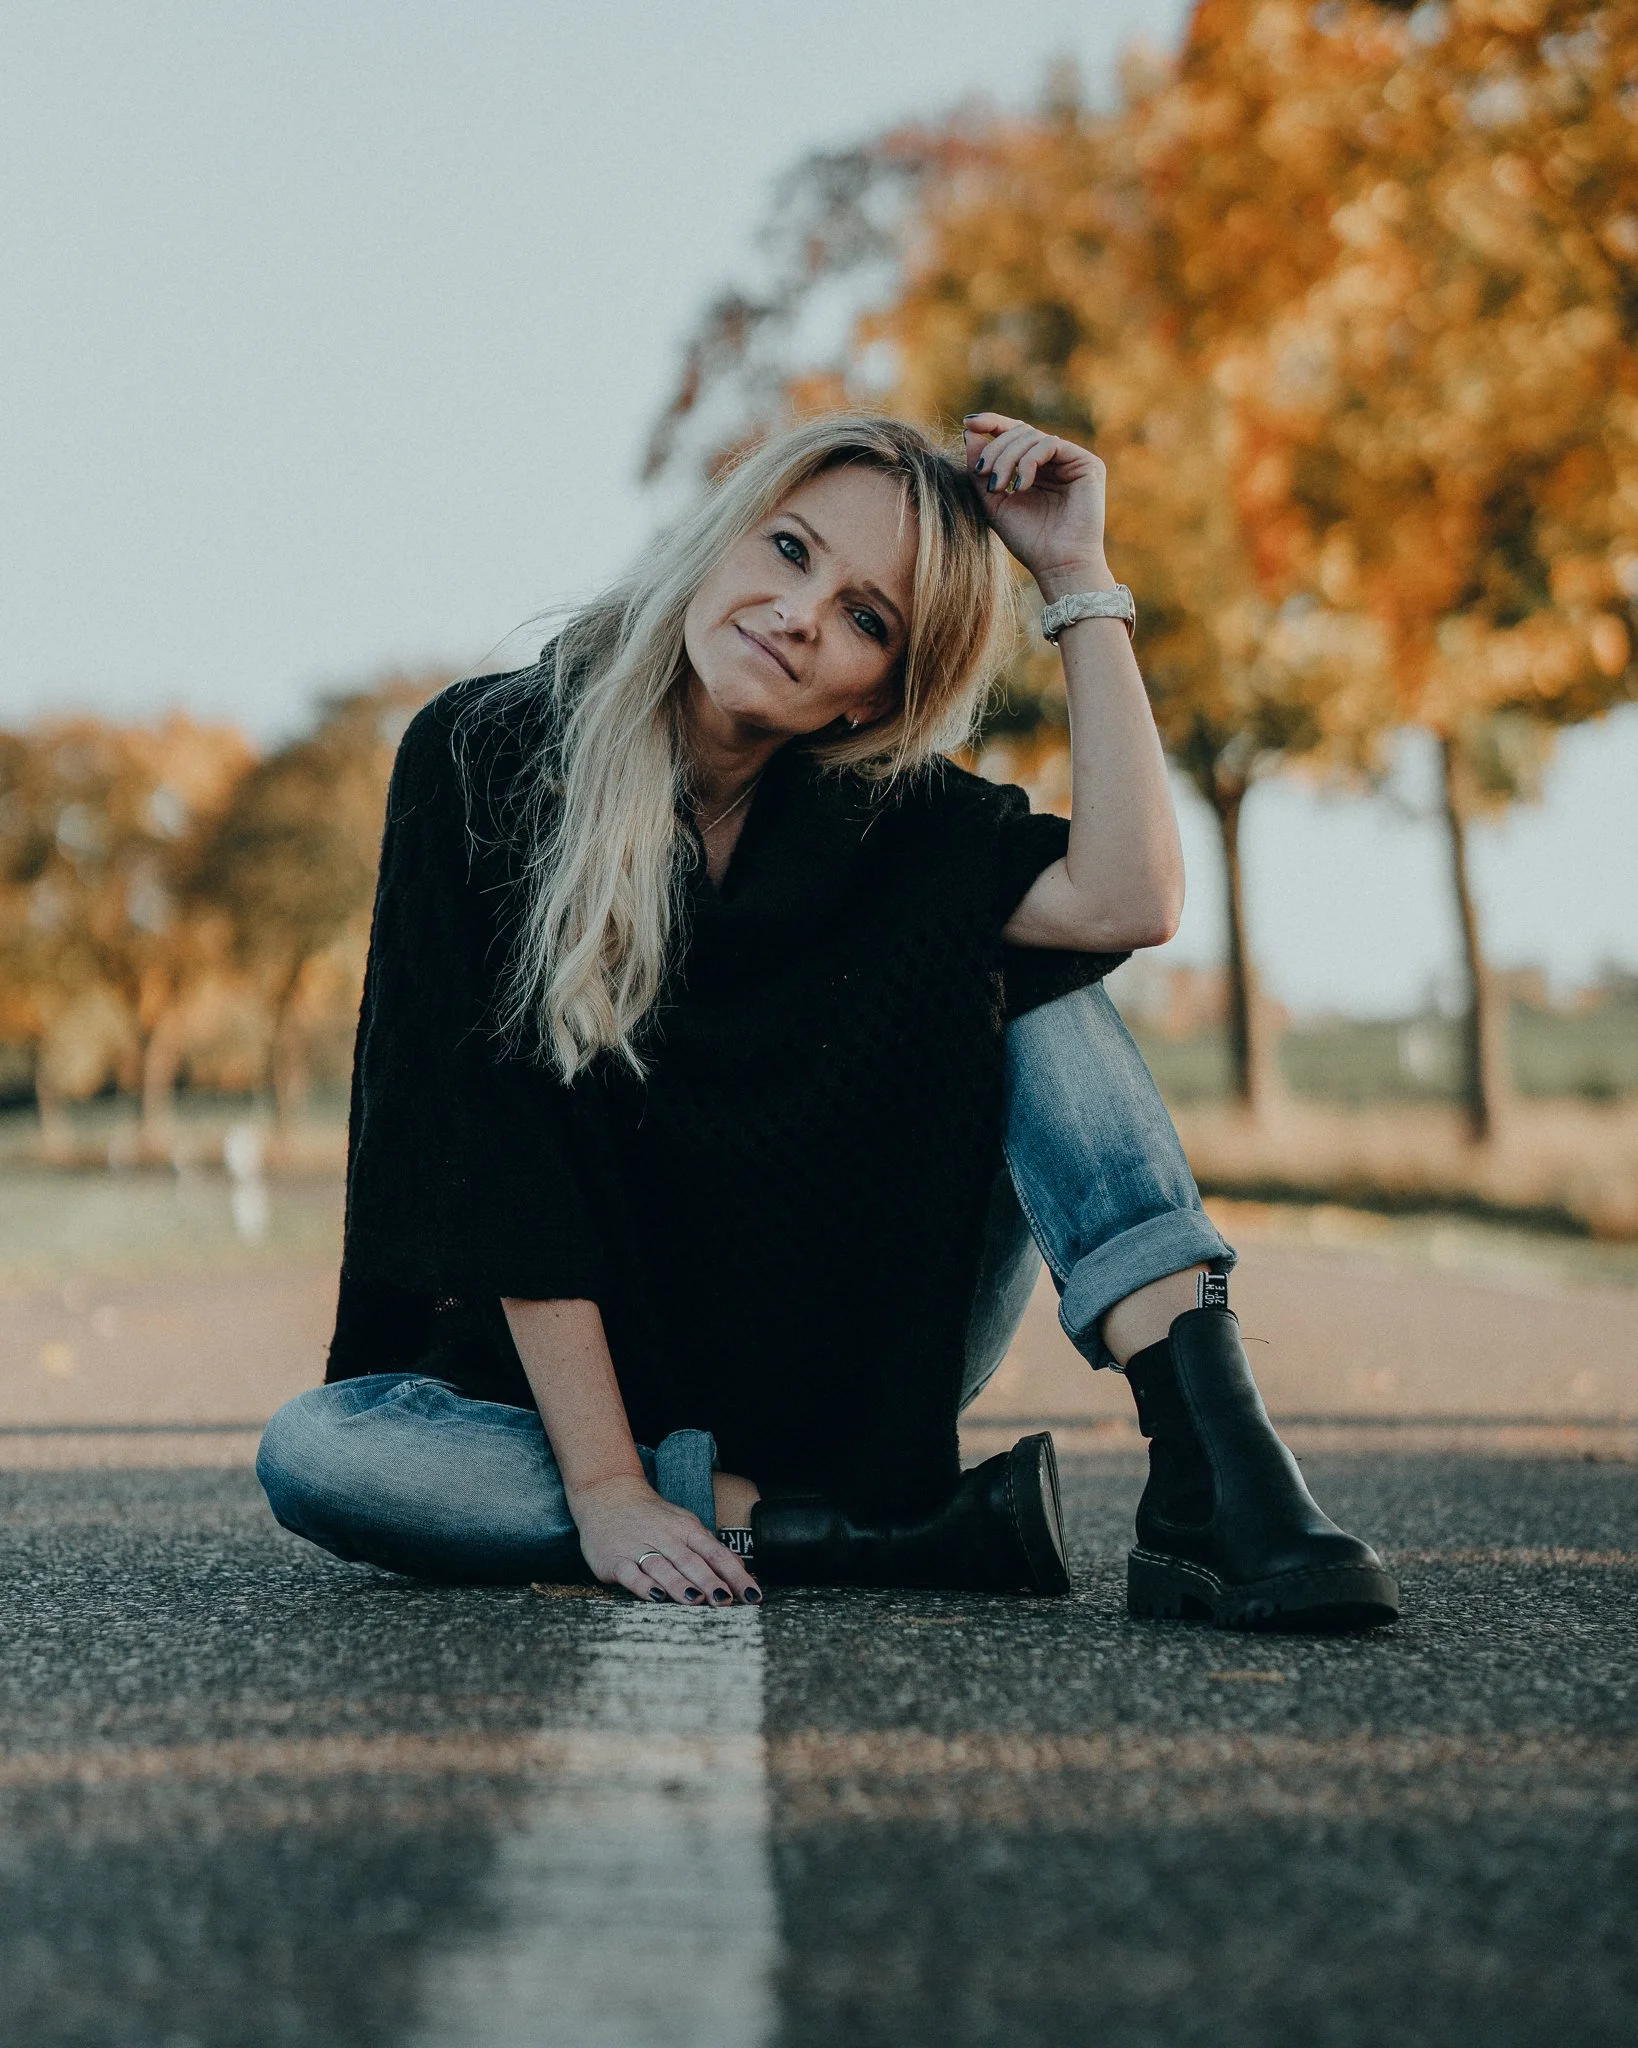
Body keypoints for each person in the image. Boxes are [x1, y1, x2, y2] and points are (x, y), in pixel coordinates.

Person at [257, 412, 1398, 1632]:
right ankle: (834, 1523)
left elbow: (1133, 896)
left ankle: (1219, 1466)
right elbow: (499, 1150)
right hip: (596, 1385)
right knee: (328, 1452)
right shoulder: (489, 752)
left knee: (1034, 970)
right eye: (792, 549)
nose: (803, 613)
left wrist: (1078, 579)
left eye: (867, 619)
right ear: (719, 540)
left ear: (873, 701)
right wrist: (604, 1486)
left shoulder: (890, 821)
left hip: (858, 1348)